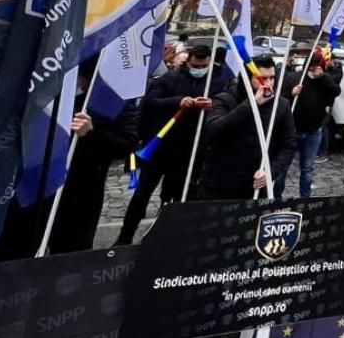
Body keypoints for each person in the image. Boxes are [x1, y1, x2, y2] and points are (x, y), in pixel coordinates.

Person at [115, 44, 224, 246]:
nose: (199, 68)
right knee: (142, 194)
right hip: (160, 148)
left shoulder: (217, 81)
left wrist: (212, 105)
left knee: (177, 197)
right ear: (188, 61)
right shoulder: (170, 78)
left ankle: (167, 236)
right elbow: (150, 102)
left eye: (203, 65)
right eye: (195, 65)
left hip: (190, 152)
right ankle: (125, 236)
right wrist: (178, 101)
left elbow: (225, 106)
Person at [47, 60, 139, 253]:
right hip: (45, 181)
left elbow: (126, 146)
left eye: (82, 79)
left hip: (83, 187)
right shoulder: (56, 96)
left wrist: (91, 132)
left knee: (70, 247)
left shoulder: (118, 104)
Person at [196, 56, 296, 200]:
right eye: (262, 79)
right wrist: (252, 104)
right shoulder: (224, 99)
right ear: (247, 78)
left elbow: (288, 145)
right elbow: (214, 130)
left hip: (255, 186)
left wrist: (271, 171)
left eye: (272, 78)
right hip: (219, 184)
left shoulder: (281, 105)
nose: (268, 83)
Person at [276, 43, 341, 198]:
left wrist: (323, 77)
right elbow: (280, 98)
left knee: (307, 168)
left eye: (317, 67)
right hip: (292, 131)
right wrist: (291, 93)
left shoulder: (324, 80)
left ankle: (305, 199)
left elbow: (336, 91)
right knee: (282, 168)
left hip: (313, 132)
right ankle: (277, 197)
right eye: (311, 66)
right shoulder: (294, 78)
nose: (314, 69)